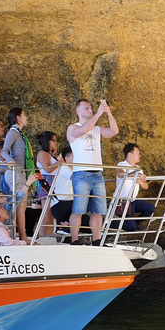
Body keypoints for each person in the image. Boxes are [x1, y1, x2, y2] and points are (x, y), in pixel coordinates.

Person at [67, 98, 119, 245]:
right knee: (78, 209)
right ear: (78, 111)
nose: (90, 110)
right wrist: (98, 114)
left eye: (91, 108)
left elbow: (114, 131)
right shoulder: (72, 127)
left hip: (97, 173)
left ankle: (97, 239)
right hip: (81, 173)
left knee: (98, 209)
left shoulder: (96, 129)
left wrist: (108, 113)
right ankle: (75, 239)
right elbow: (82, 130)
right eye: (86, 108)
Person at [3, 107, 35, 241]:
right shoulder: (13, 132)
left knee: (22, 205)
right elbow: (5, 150)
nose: (26, 118)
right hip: (16, 171)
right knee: (19, 205)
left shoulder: (19, 133)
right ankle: (21, 236)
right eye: (24, 115)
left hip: (21, 171)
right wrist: (11, 161)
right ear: (18, 118)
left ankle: (21, 236)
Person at [115, 143, 155, 231]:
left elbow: (146, 186)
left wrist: (139, 180)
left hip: (132, 200)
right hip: (123, 201)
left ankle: (135, 223)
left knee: (150, 208)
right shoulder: (122, 164)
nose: (139, 155)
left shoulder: (138, 168)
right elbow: (120, 174)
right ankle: (106, 223)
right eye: (137, 153)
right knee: (130, 227)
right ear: (130, 154)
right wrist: (135, 175)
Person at [35, 131, 62, 235]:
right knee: (46, 213)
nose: (56, 143)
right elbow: (47, 169)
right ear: (47, 141)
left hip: (53, 183)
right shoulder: (42, 153)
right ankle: (42, 237)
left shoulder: (50, 154)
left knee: (50, 213)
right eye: (53, 140)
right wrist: (60, 162)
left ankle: (50, 236)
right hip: (45, 183)